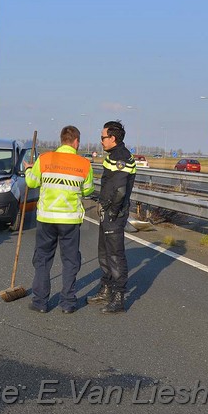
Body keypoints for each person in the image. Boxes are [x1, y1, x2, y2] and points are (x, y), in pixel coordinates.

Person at [25, 126, 94, 314]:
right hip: (70, 220)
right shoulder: (84, 164)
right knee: (70, 261)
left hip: (46, 218)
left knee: (43, 259)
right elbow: (88, 190)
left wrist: (28, 170)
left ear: (61, 140)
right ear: (76, 142)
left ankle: (40, 302)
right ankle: (68, 303)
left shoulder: (44, 159)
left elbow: (31, 182)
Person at [87, 120, 137, 314]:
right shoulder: (113, 155)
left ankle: (118, 297)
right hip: (107, 212)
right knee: (104, 252)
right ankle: (106, 288)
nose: (101, 141)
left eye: (103, 137)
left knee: (115, 255)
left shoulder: (121, 157)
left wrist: (111, 212)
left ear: (112, 138)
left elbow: (119, 190)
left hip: (114, 214)